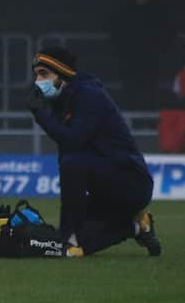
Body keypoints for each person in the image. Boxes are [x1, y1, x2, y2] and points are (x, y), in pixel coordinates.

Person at [24, 46, 161, 256]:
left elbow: (73, 143)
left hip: (130, 182)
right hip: (104, 189)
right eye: (36, 75)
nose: (38, 81)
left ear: (62, 74)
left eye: (44, 74)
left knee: (73, 162)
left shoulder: (89, 95)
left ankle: (68, 239)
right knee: (83, 239)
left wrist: (40, 114)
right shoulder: (61, 102)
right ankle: (138, 226)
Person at [108, 0, 175, 110]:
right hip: (128, 57)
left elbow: (166, 31)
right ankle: (131, 122)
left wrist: (158, 49)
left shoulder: (157, 9)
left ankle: (148, 122)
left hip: (151, 57)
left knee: (149, 89)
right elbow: (115, 30)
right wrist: (121, 50)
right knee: (129, 90)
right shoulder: (125, 9)